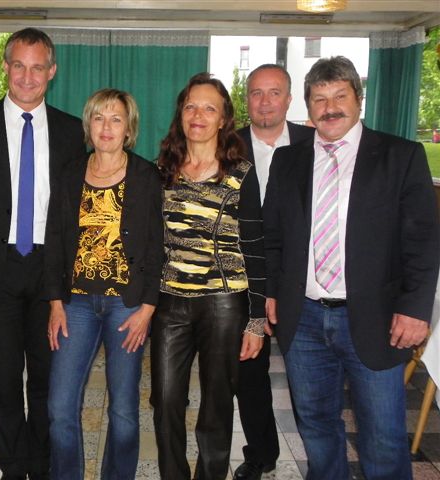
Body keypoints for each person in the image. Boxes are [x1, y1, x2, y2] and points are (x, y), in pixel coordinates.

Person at [264, 56, 440, 479]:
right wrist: (270, 292)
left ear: (359, 99)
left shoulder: (400, 156)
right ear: (308, 106)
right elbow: (272, 237)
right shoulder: (288, 160)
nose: (330, 108)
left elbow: (422, 241)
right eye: (319, 99)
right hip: (303, 319)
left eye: (339, 96)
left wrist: (415, 309)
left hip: (377, 318)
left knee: (382, 436)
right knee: (316, 427)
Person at [0, 28, 85, 479]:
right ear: (6, 67)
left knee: (46, 379)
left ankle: (41, 465)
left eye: (38, 67)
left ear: (52, 71)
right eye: (19, 66)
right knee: (5, 380)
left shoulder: (71, 131)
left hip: (50, 274)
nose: (28, 77)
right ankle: (12, 466)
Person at [151, 72, 266, 480]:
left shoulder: (241, 172)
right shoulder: (162, 170)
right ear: (180, 114)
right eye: (190, 106)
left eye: (208, 108)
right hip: (170, 301)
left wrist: (256, 319)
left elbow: (255, 246)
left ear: (223, 119)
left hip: (223, 303)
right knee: (165, 401)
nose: (198, 115)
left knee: (216, 406)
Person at [44, 88, 163, 479]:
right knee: (60, 407)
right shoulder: (70, 173)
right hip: (75, 304)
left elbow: (157, 247)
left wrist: (147, 309)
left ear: (129, 128)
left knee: (124, 410)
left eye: (116, 119)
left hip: (126, 306)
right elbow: (55, 240)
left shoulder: (146, 176)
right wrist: (55, 303)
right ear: (88, 125)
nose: (106, 127)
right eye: (99, 117)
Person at [233, 64, 313, 480]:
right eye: (256, 93)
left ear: (289, 98)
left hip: (300, 279)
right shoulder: (227, 146)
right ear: (246, 100)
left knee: (310, 375)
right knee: (248, 373)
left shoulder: (315, 143)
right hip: (243, 279)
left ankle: (320, 455)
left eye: (274, 92)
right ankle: (260, 453)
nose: (265, 102)